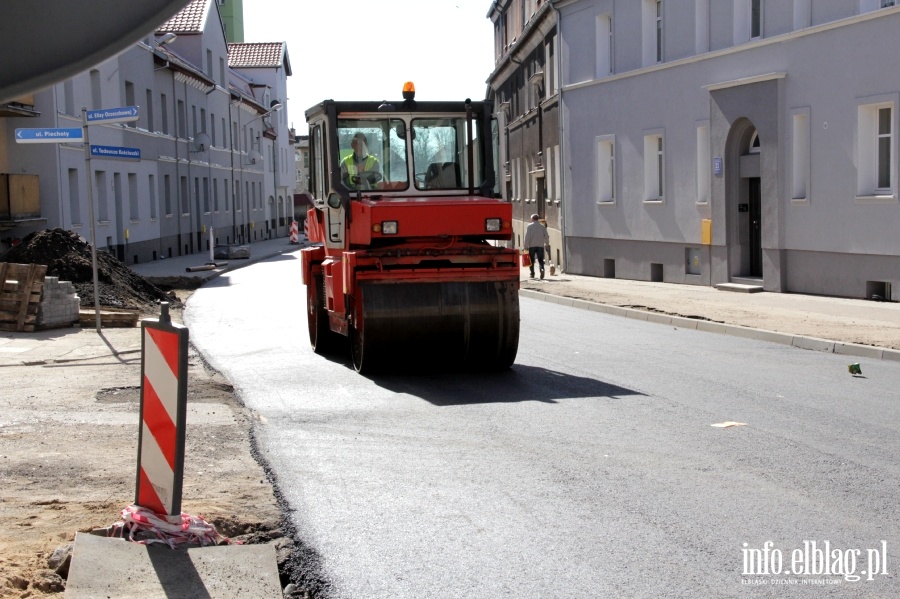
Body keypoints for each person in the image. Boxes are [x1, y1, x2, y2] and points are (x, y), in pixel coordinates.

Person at [523, 213, 550, 279]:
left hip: (532, 246)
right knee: (540, 259)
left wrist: (525, 246)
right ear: (537, 219)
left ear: (532, 219)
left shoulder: (529, 226)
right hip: (540, 245)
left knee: (531, 260)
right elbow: (546, 236)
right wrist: (546, 244)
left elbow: (527, 237)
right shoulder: (542, 226)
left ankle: (532, 274)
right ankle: (542, 269)